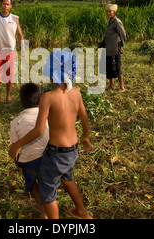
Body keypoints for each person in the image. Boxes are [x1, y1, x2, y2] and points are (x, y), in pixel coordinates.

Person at [9, 50, 92, 219]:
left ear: (52, 74)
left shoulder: (47, 97)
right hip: (72, 151)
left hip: (56, 154)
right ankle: (82, 211)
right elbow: (84, 117)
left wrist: (17, 145)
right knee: (67, 178)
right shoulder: (76, 93)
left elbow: (39, 130)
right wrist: (85, 136)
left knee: (47, 192)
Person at [10, 83, 49, 218]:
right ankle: (49, 203)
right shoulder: (47, 115)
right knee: (47, 182)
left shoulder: (16, 121)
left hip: (29, 161)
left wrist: (18, 165)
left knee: (32, 184)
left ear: (21, 101)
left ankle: (43, 209)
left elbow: (15, 148)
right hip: (49, 157)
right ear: (40, 99)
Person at [0, 0, 25, 103]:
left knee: (10, 73)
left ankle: (8, 97)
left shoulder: (14, 18)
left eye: (8, 4)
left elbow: (20, 34)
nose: (5, 6)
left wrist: (24, 49)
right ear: (0, 4)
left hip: (10, 50)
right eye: (4, 3)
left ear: (11, 6)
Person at [102, 4, 126, 91]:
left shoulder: (117, 22)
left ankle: (122, 87)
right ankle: (111, 85)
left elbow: (123, 35)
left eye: (110, 11)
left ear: (114, 12)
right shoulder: (110, 22)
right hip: (109, 49)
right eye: (107, 11)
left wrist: (121, 46)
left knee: (117, 67)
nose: (108, 13)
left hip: (116, 48)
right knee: (109, 67)